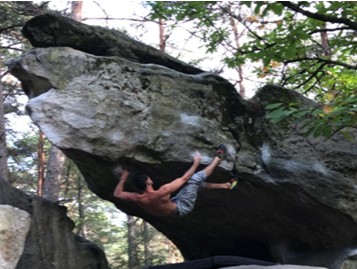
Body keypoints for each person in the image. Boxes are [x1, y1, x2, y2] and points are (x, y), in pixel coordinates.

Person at [113, 144, 236, 217]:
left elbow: (117, 194)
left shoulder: (136, 197)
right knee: (194, 180)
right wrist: (196, 162)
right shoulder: (162, 191)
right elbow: (185, 178)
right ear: (148, 182)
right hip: (182, 207)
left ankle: (226, 186)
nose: (150, 178)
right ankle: (218, 158)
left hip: (172, 208)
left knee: (194, 187)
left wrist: (123, 178)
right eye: (148, 178)